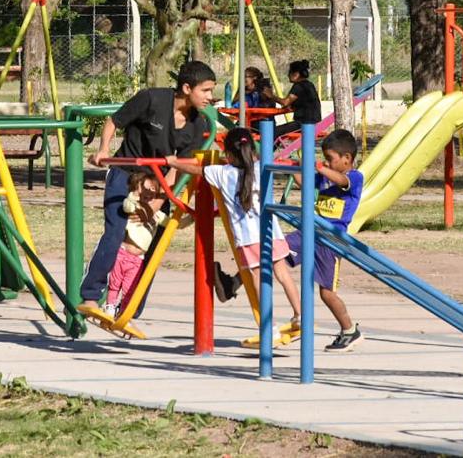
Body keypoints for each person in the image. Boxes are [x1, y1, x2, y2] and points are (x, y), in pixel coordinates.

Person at [79, 60, 217, 316]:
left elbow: (179, 169)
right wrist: (103, 149)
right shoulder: (152, 99)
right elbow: (114, 121)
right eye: (206, 90)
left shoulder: (198, 124)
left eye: (212, 90)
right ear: (187, 88)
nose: (210, 97)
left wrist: (153, 206)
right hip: (126, 174)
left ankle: (130, 308)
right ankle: (90, 296)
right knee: (115, 232)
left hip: (158, 185)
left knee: (154, 244)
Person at [170, 128, 300, 319]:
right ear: (252, 151)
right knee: (283, 274)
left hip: (248, 239)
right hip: (272, 232)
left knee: (258, 277)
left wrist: (173, 162)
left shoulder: (222, 173)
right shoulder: (262, 167)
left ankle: (269, 325)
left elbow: (196, 170)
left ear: (229, 155)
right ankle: (300, 314)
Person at [285, 128, 363, 351]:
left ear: (347, 158)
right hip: (311, 231)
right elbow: (305, 183)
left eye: (330, 158)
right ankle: (235, 282)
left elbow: (341, 180)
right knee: (275, 249)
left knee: (327, 293)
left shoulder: (354, 177)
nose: (327, 163)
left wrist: (320, 167)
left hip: (332, 241)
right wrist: (294, 167)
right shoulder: (326, 176)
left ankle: (349, 330)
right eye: (325, 159)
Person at [104, 171, 168, 315]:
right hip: (123, 252)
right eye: (144, 188)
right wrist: (134, 194)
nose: (148, 192)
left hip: (137, 259)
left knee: (129, 289)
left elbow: (174, 223)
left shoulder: (157, 215)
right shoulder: (134, 206)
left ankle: (123, 313)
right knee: (114, 284)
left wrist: (191, 217)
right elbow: (127, 205)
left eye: (152, 190)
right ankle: (109, 307)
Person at [269, 59, 322, 140]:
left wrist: (270, 96)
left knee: (271, 132)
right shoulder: (309, 84)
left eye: (289, 73)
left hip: (304, 124)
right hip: (314, 123)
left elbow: (285, 102)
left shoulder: (298, 86)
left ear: (296, 74)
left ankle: (268, 148)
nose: (288, 75)